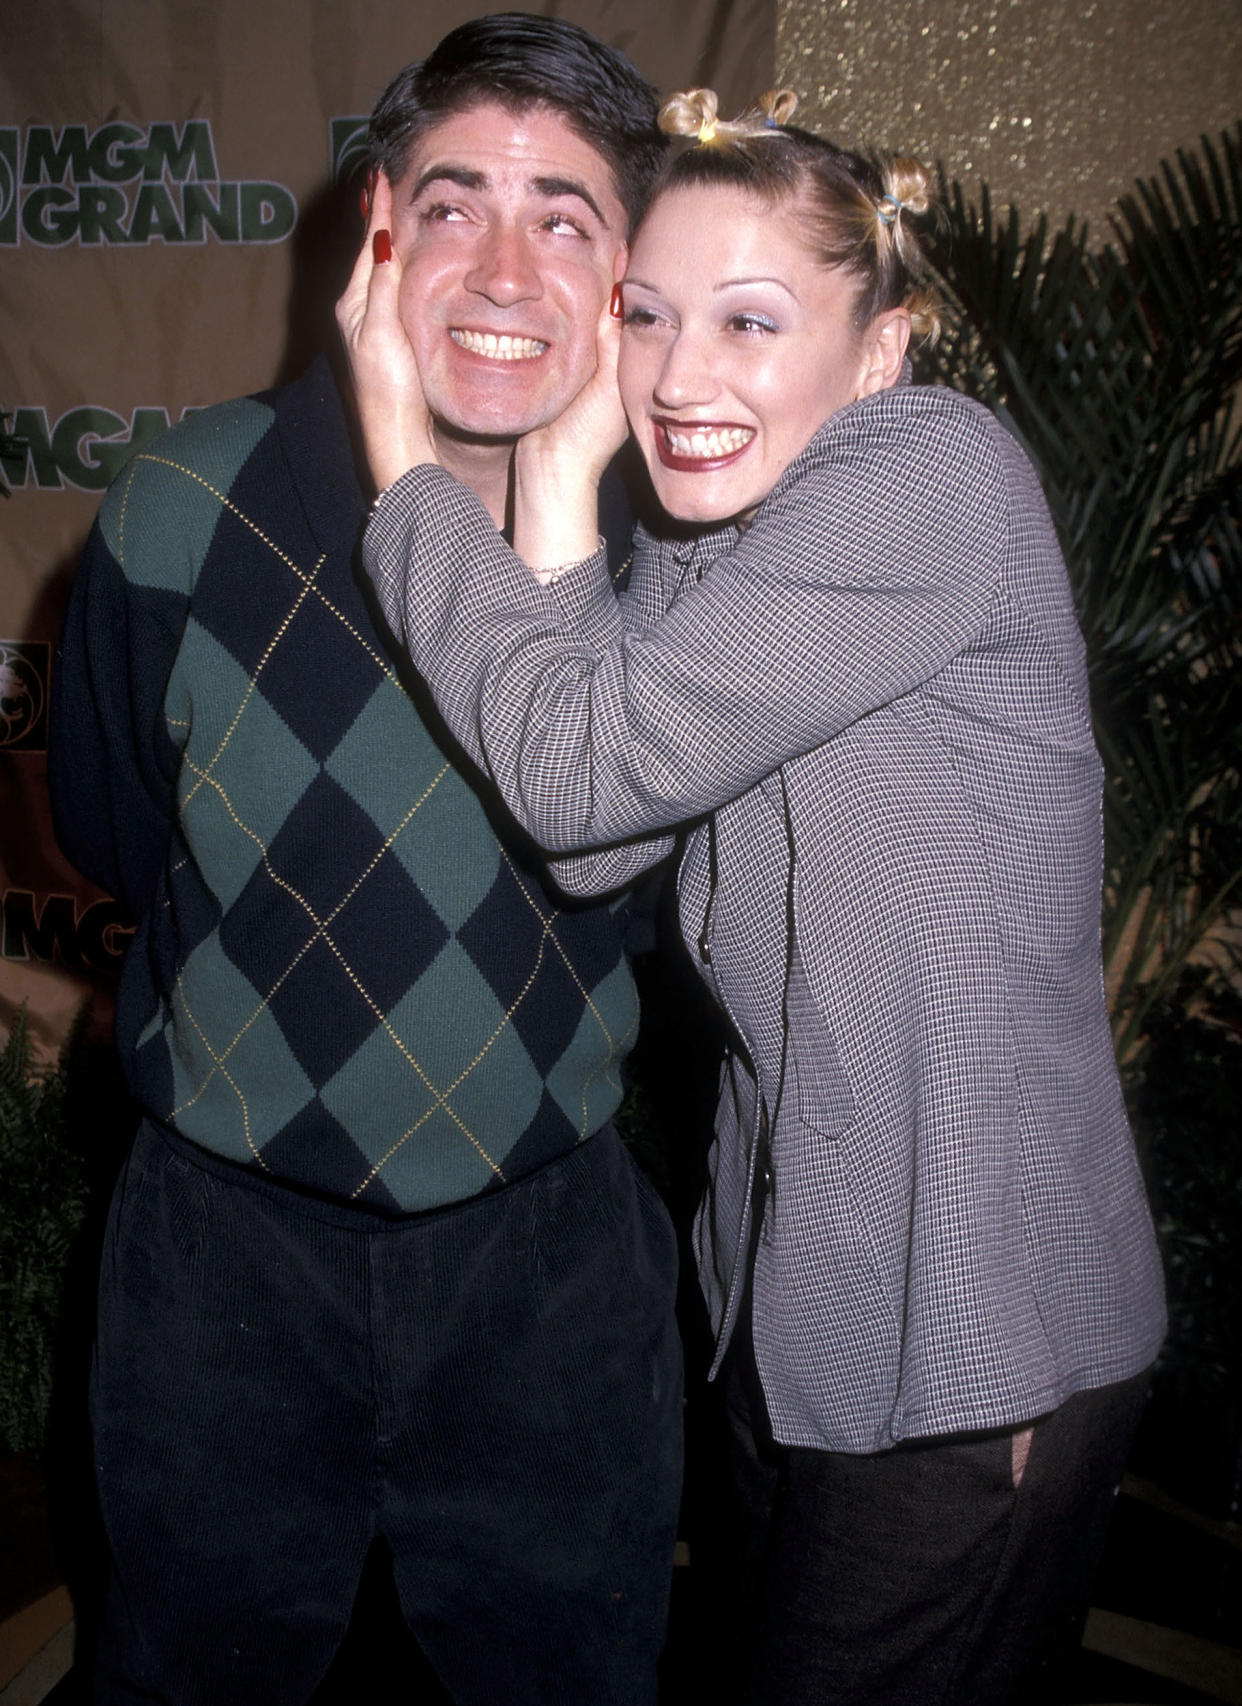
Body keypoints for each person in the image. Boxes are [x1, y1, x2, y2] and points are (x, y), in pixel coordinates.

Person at [344, 86, 1167, 1705]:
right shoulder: (718, 543)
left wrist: (405, 466)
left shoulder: (929, 476)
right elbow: (595, 839)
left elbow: (577, 770)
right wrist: (566, 485)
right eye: (643, 316)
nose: (675, 375)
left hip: (968, 1332)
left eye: (747, 320)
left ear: (880, 350)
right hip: (789, 1315)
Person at [48, 18, 683, 1706]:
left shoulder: (687, 557)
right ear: (375, 226)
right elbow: (116, 834)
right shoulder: (180, 510)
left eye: (566, 215)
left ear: (630, 272)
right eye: (454, 200)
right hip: (220, 1271)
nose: (500, 262)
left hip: (546, 1274)